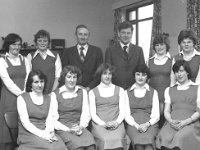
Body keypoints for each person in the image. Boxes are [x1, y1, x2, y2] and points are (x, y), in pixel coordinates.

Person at [17, 70, 67, 150]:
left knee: (61, 146)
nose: (40, 85)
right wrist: (43, 135)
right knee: (50, 147)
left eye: (42, 81)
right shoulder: (22, 98)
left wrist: (49, 132)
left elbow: (50, 119)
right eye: (36, 82)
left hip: (45, 129)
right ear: (30, 84)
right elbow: (25, 122)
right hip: (28, 132)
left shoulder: (48, 98)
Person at [156, 60, 200, 150]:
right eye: (176, 72)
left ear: (187, 72)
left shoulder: (197, 88)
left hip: (190, 123)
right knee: (164, 136)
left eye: (181, 71)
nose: (179, 74)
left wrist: (186, 122)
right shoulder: (169, 90)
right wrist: (171, 121)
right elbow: (167, 111)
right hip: (173, 123)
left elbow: (199, 111)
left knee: (179, 137)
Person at [53, 65, 95, 150]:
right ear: (64, 78)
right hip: (63, 129)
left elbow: (86, 113)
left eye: (74, 77)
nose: (72, 80)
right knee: (78, 147)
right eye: (69, 77)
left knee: (91, 146)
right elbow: (53, 119)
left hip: (79, 127)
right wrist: (68, 129)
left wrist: (81, 126)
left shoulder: (82, 92)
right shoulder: (55, 94)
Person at [0, 33, 31, 150]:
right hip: (9, 97)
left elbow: (28, 77)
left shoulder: (25, 59)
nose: (17, 47)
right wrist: (21, 94)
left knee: (22, 121)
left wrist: (24, 93)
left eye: (19, 44)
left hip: (24, 94)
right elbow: (7, 81)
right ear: (8, 45)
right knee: (7, 126)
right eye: (14, 44)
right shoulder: (2, 61)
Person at [89, 63, 126, 150]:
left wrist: (117, 122)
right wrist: (103, 124)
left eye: (110, 74)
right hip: (100, 124)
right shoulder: (92, 92)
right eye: (104, 73)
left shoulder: (120, 90)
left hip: (116, 123)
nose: (107, 76)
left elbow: (122, 111)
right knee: (104, 139)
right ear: (100, 75)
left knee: (118, 139)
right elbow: (93, 114)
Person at [125, 64, 160, 150]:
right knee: (138, 141)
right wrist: (137, 126)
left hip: (150, 123)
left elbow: (156, 114)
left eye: (143, 75)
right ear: (134, 76)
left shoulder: (153, 92)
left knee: (149, 142)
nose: (140, 77)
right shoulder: (126, 92)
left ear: (147, 77)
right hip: (133, 124)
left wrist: (147, 125)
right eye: (138, 74)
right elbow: (126, 114)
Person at [61, 24, 103, 92]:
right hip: (73, 90)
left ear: (88, 36)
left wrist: (89, 87)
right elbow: (65, 73)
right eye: (80, 34)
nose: (83, 37)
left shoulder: (97, 51)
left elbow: (99, 73)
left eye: (85, 34)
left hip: (92, 90)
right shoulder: (67, 52)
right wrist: (75, 87)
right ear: (76, 35)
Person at [105, 21, 145, 90]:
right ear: (118, 34)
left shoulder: (139, 50)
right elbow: (107, 72)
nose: (126, 35)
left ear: (131, 34)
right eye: (123, 33)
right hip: (115, 89)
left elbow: (142, 71)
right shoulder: (110, 50)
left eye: (128, 33)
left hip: (134, 89)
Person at [147, 34, 172, 127]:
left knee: (164, 119)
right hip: (153, 94)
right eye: (157, 45)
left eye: (162, 44)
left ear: (166, 45)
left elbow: (174, 80)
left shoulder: (172, 60)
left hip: (167, 95)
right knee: (154, 119)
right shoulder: (149, 61)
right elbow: (146, 80)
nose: (159, 47)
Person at [27, 29, 62, 94]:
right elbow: (29, 77)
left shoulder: (55, 55)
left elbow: (58, 76)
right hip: (35, 93)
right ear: (36, 42)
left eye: (45, 41)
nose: (42, 43)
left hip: (52, 91)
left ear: (48, 42)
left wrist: (52, 93)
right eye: (39, 41)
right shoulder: (30, 56)